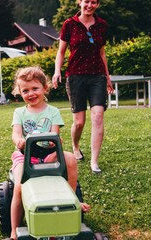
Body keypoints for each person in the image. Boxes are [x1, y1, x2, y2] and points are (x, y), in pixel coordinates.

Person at [8, 66, 90, 240]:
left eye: (35, 88)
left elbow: (55, 137)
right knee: (19, 185)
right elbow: (15, 133)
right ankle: (14, 229)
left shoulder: (53, 112)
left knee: (69, 159)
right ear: (20, 93)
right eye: (25, 90)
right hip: (25, 153)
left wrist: (54, 147)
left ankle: (72, 198)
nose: (31, 93)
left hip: (49, 153)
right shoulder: (20, 112)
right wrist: (19, 140)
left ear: (45, 88)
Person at [52, 0, 114, 174]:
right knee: (79, 122)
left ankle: (94, 162)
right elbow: (61, 51)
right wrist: (57, 71)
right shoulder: (69, 24)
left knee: (98, 116)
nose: (90, 5)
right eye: (86, 1)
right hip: (75, 76)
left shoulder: (102, 25)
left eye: (94, 2)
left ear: (97, 5)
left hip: (97, 76)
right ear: (80, 2)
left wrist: (107, 77)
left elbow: (102, 53)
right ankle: (75, 145)